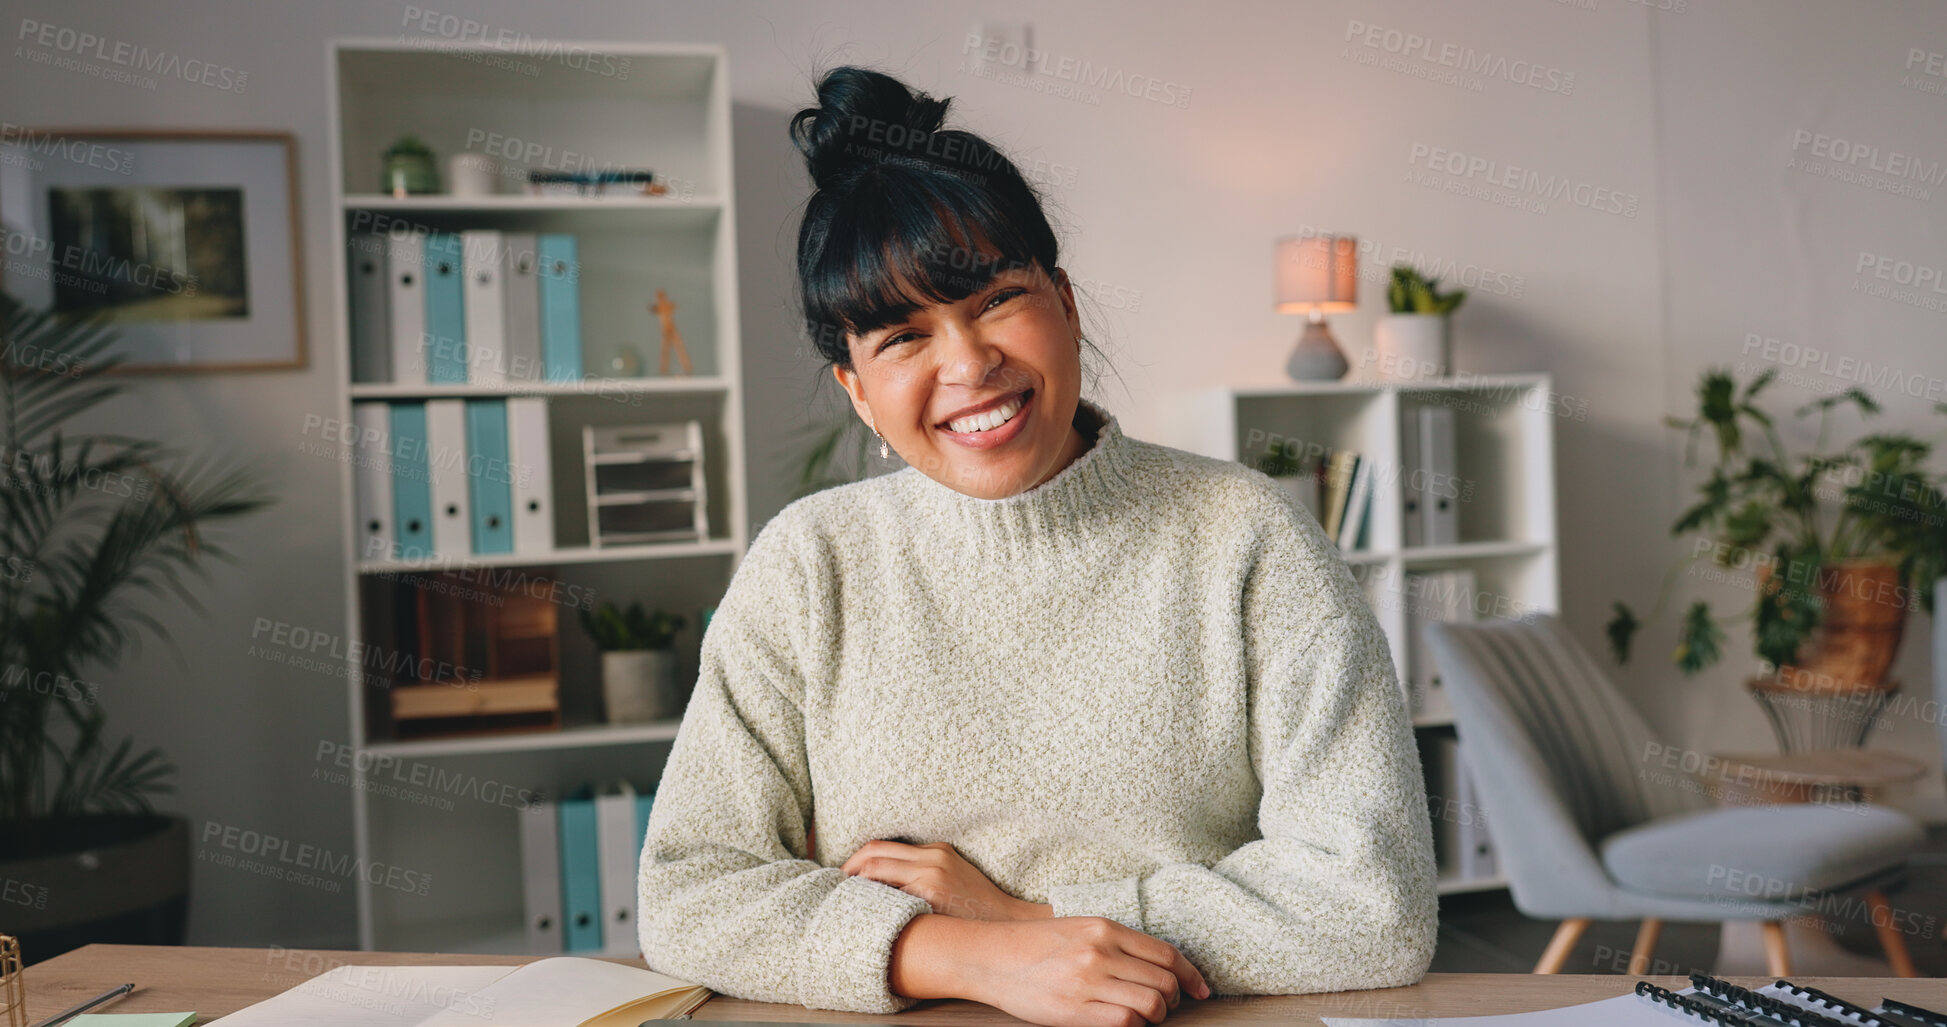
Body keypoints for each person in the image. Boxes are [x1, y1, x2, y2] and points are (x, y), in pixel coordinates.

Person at [637, 65, 1437, 1027]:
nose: (968, 365)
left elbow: (1373, 907)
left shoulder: (1245, 535)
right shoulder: (811, 562)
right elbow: (688, 892)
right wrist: (967, 952)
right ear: (855, 388)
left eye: (995, 300)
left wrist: (1036, 916)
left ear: (1063, 299)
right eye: (901, 337)